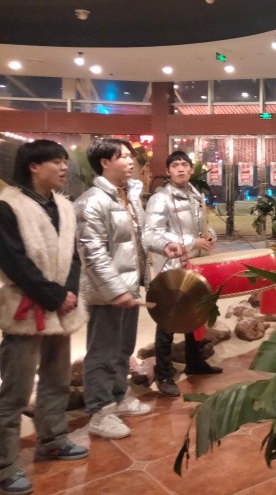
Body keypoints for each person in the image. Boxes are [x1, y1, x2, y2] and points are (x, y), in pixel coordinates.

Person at [74, 138, 182, 440]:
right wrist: (114, 290)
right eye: (123, 156)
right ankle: (99, 412)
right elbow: (93, 254)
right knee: (102, 352)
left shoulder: (129, 196)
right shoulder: (91, 202)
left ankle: (118, 397)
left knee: (123, 348)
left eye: (130, 155)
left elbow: (142, 236)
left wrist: (164, 244)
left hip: (129, 287)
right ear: (104, 163)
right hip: (107, 293)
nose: (131, 160)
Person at [0, 141, 88, 495]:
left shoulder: (64, 205)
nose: (64, 167)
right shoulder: (9, 205)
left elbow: (74, 255)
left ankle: (52, 439)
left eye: (65, 161)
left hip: (60, 309)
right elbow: (13, 261)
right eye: (56, 161)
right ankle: (5, 465)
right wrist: (54, 295)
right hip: (27, 309)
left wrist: (69, 293)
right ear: (33, 166)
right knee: (16, 391)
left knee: (57, 379)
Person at [143, 151, 221, 399]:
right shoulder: (160, 199)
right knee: (167, 321)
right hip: (170, 268)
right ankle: (164, 374)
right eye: (175, 165)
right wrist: (190, 241)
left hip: (192, 265)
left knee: (193, 314)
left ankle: (194, 361)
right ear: (168, 171)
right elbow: (151, 236)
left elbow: (201, 226)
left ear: (190, 169)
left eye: (184, 164)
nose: (180, 168)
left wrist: (209, 236)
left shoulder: (195, 195)